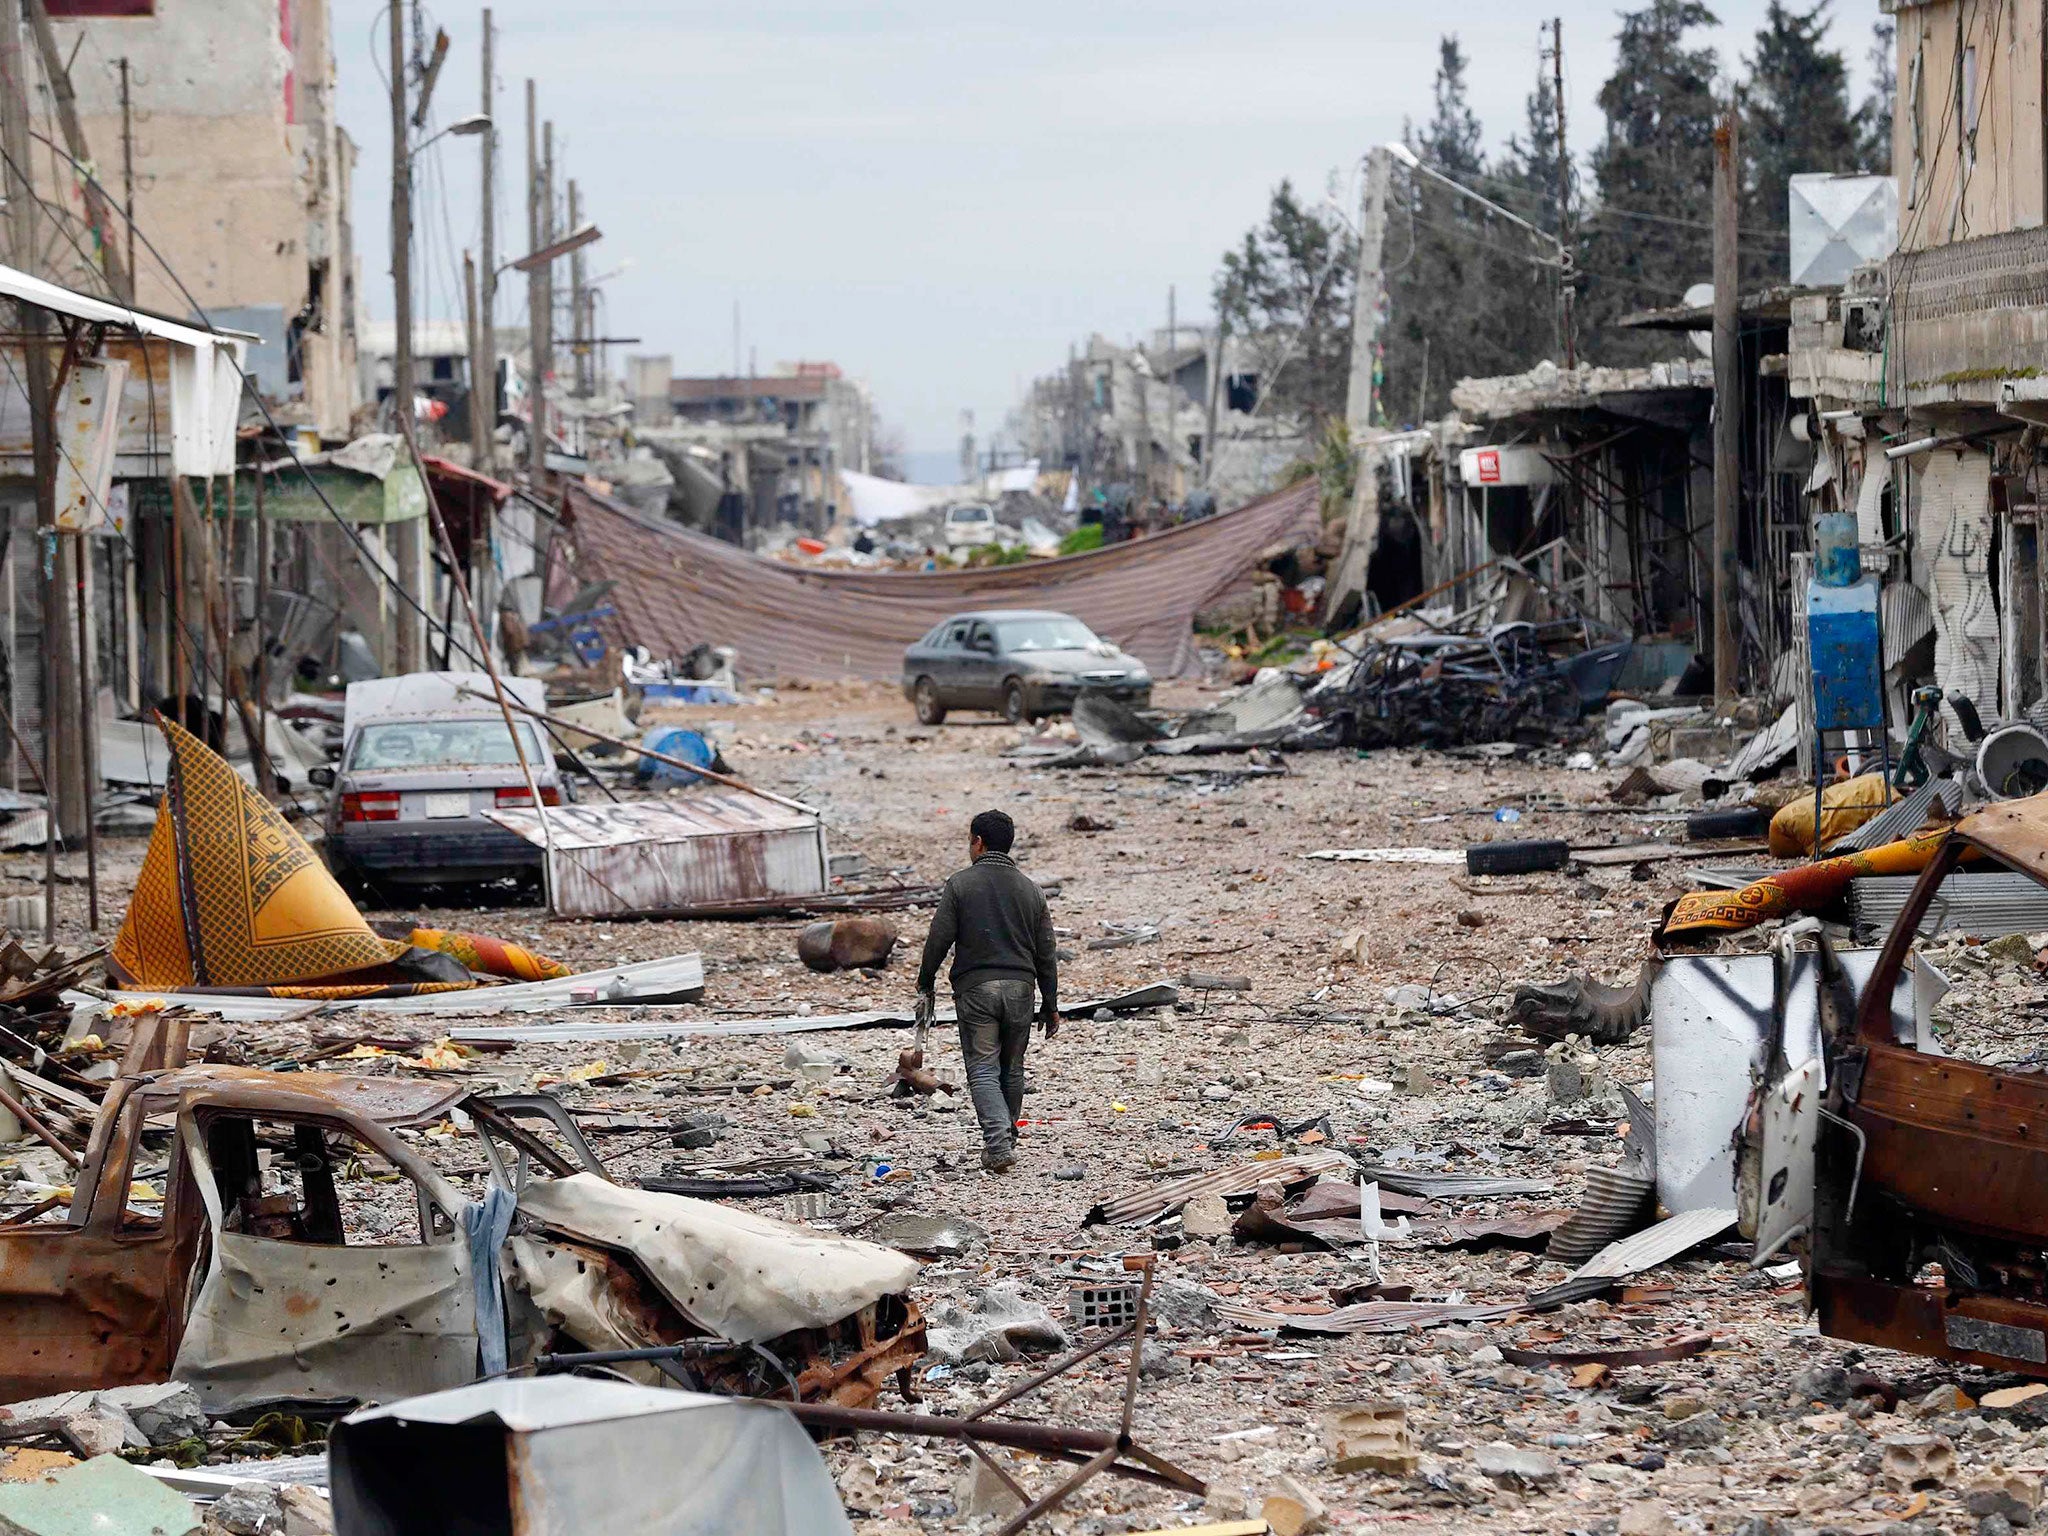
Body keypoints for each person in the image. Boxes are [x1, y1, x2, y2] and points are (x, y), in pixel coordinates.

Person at [915, 810, 1058, 1172]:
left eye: (970, 840)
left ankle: (998, 1145)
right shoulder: (1032, 891)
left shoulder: (961, 885)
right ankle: (1006, 1140)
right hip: (1021, 989)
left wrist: (926, 979)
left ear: (978, 842)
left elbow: (939, 938)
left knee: (982, 1068)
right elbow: (1046, 953)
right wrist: (1051, 1004)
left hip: (976, 988)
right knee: (1012, 1068)